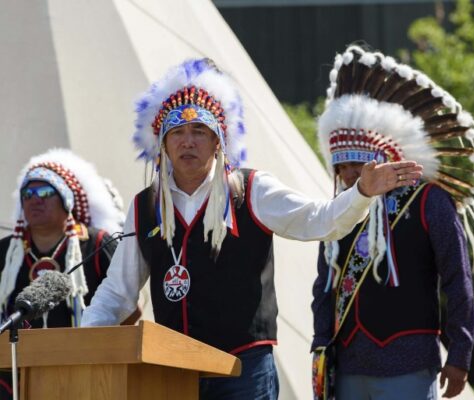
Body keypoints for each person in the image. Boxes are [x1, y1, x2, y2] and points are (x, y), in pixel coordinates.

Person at [80, 58, 423, 400]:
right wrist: (77, 341)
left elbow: (321, 221)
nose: (188, 142)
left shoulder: (250, 189)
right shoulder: (146, 206)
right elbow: (118, 291)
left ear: (219, 141)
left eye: (199, 131)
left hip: (242, 368)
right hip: (174, 368)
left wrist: (360, 192)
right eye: (177, 132)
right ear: (163, 144)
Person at [311, 44, 474, 400]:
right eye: (343, 167)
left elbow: (457, 281)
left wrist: (460, 355)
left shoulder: (428, 201)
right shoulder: (339, 208)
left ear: (384, 159)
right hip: (348, 365)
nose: (354, 174)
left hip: (410, 365)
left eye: (362, 164)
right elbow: (324, 288)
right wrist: (320, 347)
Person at [0, 148, 127, 399]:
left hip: (82, 367)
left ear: (67, 201)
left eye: (45, 193)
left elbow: (127, 300)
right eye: (28, 193)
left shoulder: (96, 244)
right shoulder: (7, 251)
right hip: (15, 371)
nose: (34, 200)